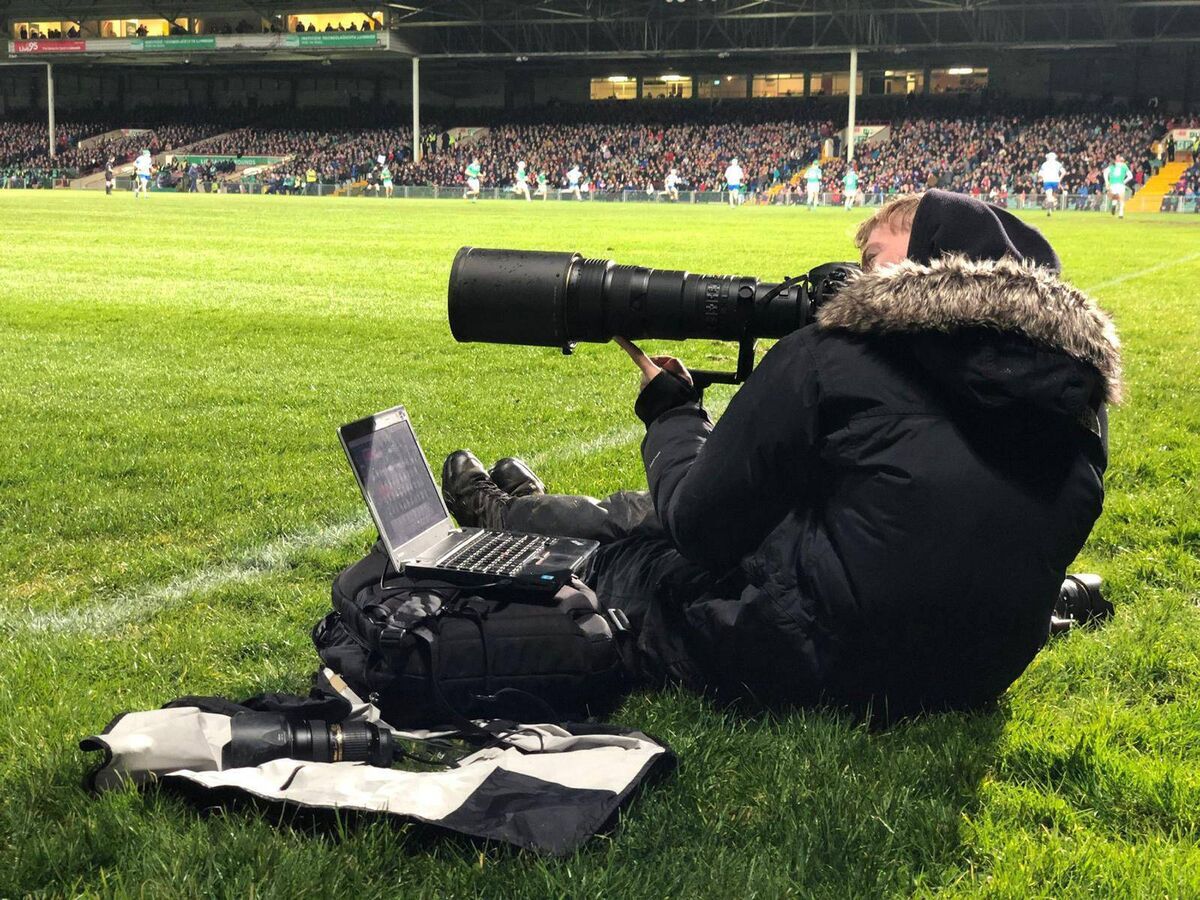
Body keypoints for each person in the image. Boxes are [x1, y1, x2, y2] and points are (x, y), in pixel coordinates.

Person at [441, 190, 1121, 722]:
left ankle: (506, 519)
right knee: (731, 511)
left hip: (820, 658)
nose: (853, 283)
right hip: (977, 666)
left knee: (638, 550)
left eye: (874, 260)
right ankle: (518, 508)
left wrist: (672, 412)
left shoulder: (835, 360)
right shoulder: (1074, 391)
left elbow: (700, 528)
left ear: (933, 263)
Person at [1103, 154, 1133, 219]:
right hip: (1120, 184)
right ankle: (1121, 214)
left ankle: (1114, 205)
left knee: (1115, 197)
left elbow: (1105, 172)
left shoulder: (1113, 165)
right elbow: (1130, 176)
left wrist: (1107, 182)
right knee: (1121, 199)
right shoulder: (1124, 166)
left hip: (1112, 184)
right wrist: (1124, 182)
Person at [1038, 151, 1065, 217]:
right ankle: (1054, 204)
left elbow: (1040, 174)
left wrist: (1041, 178)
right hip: (1055, 181)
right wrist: (1059, 179)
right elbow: (1064, 172)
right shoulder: (1058, 164)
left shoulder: (1044, 164)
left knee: (1049, 196)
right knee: (1054, 195)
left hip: (1047, 181)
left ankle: (1049, 209)